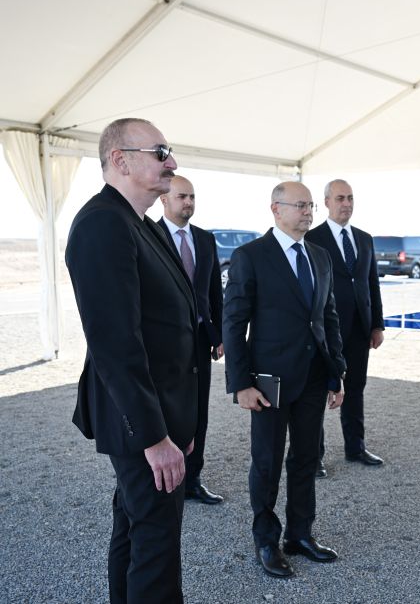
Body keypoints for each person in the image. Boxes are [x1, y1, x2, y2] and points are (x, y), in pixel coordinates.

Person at [65, 118, 198, 603]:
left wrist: (177, 423)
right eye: (160, 152)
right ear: (120, 160)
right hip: (141, 422)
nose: (172, 162)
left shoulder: (137, 223)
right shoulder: (103, 223)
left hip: (159, 414)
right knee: (155, 546)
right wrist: (154, 438)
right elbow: (115, 344)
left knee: (137, 527)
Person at [222, 181, 348, 579]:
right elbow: (233, 323)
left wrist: (337, 372)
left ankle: (299, 534)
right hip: (268, 381)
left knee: (306, 458)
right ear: (276, 209)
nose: (308, 212)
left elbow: (328, 317)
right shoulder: (250, 256)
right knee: (267, 461)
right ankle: (266, 540)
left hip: (314, 376)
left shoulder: (320, 256)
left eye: (311, 205)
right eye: (300, 205)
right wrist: (241, 383)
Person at [305, 179, 385, 475]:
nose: (346, 204)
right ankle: (314, 456)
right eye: (340, 198)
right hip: (325, 329)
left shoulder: (364, 239)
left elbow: (371, 283)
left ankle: (356, 447)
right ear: (326, 202)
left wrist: (377, 325)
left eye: (350, 198)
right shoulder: (312, 237)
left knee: (355, 388)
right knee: (318, 392)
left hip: (359, 328)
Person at [157, 175, 225, 505]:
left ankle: (193, 480)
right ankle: (167, 479)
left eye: (192, 197)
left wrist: (219, 334)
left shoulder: (205, 239)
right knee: (169, 409)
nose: (188, 202)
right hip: (165, 343)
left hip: (200, 340)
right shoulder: (150, 235)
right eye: (182, 196)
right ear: (164, 199)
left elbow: (214, 291)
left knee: (199, 411)